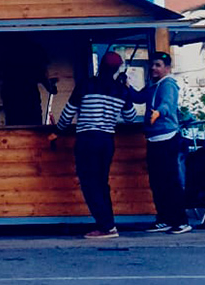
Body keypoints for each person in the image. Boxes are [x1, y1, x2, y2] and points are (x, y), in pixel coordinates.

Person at [54, 51, 141, 238]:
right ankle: (108, 224)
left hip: (87, 139)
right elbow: (131, 118)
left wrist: (58, 131)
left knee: (90, 184)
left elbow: (68, 114)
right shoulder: (121, 90)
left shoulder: (86, 84)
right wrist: (126, 87)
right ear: (116, 70)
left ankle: (106, 227)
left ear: (100, 65)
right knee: (101, 183)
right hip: (107, 141)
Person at [139, 50, 191, 234]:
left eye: (158, 65)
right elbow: (139, 97)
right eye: (152, 65)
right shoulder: (153, 86)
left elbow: (167, 104)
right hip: (153, 138)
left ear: (167, 68)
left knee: (170, 181)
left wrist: (158, 113)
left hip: (167, 138)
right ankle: (164, 219)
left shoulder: (168, 84)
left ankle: (181, 221)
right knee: (157, 182)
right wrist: (126, 86)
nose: (153, 68)